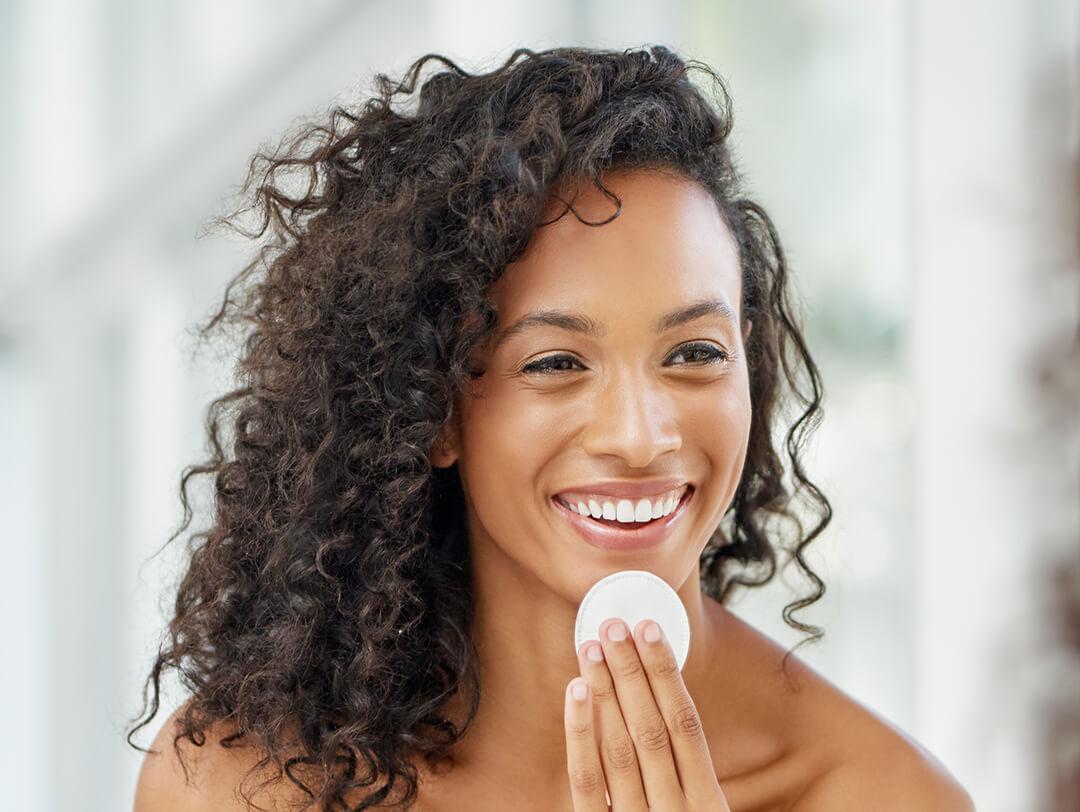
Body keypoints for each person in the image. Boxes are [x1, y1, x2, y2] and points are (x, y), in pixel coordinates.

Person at [130, 44, 974, 810]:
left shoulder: (881, 794)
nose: (641, 438)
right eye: (556, 363)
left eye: (694, 353)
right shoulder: (236, 786)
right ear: (434, 410)